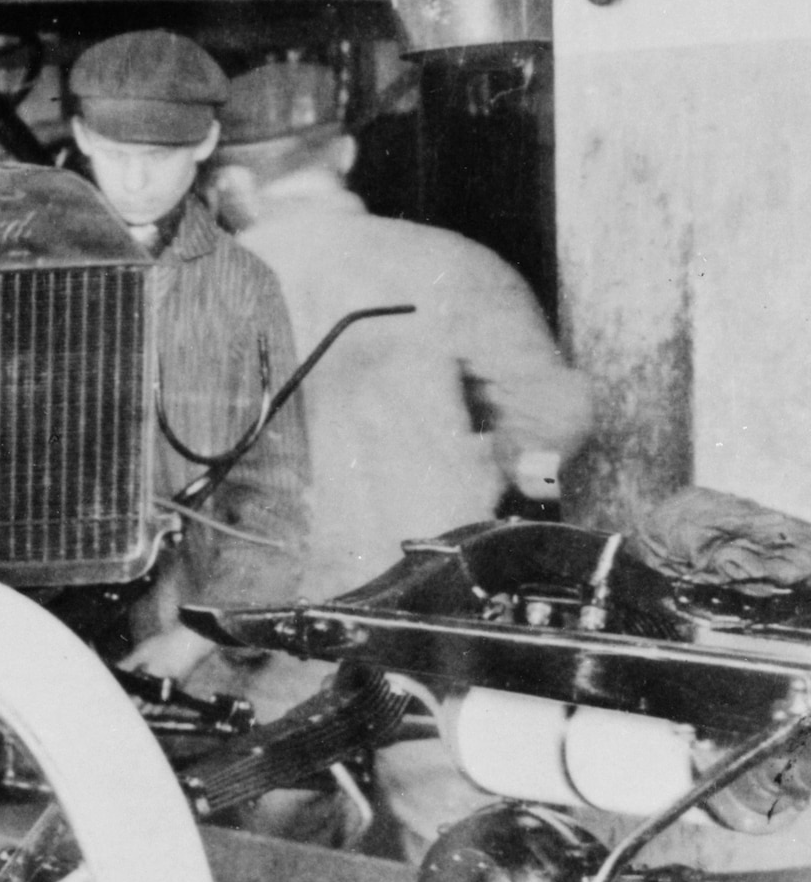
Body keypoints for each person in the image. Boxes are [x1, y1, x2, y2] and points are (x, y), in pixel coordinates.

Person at [208, 55, 591, 598]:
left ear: (231, 181)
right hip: (422, 599)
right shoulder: (457, 261)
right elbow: (552, 420)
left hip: (259, 606)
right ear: (345, 154)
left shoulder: (202, 286)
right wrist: (510, 475)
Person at [60, 29, 308, 694]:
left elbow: (274, 495)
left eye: (161, 155)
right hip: (44, 622)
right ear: (82, 136)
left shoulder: (244, 286)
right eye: (115, 153)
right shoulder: (24, 267)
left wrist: (195, 639)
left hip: (181, 631)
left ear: (204, 143)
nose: (136, 179)